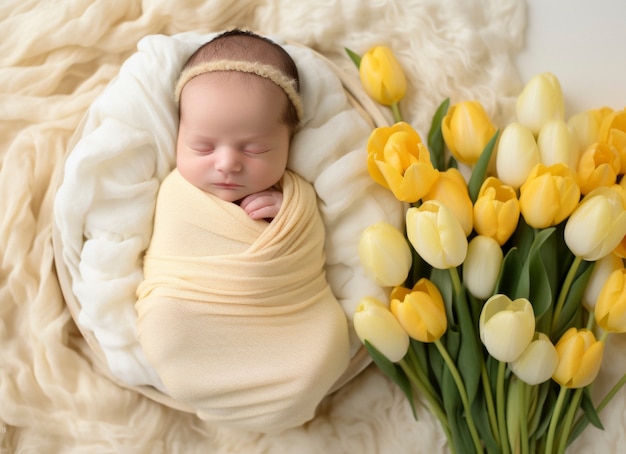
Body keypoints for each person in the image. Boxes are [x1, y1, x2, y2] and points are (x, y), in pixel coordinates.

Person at [135, 29, 351, 433]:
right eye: (202, 147)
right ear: (179, 135)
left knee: (326, 343)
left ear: (289, 141)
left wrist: (291, 215)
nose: (227, 163)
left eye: (253, 149)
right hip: (189, 317)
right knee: (166, 318)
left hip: (291, 318)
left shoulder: (295, 196)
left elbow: (309, 251)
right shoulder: (176, 193)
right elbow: (164, 259)